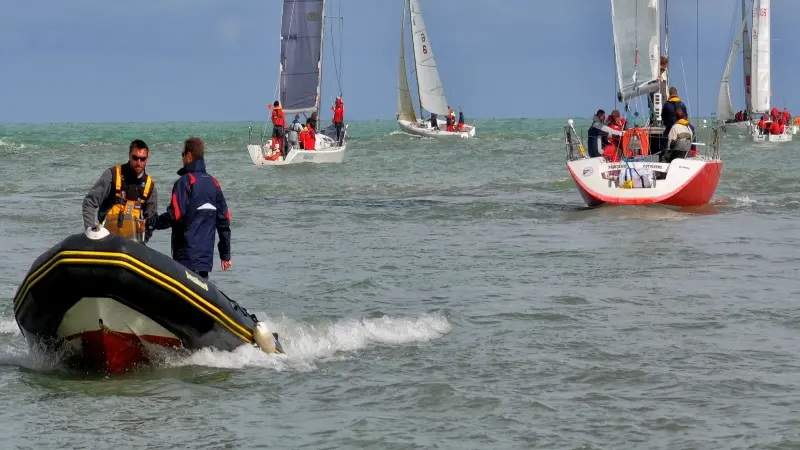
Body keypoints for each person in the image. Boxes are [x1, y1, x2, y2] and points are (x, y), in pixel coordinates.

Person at [146, 137, 231, 279]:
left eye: (182, 154)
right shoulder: (214, 183)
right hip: (205, 260)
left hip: (185, 257)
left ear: (189, 155)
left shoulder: (185, 182)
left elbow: (174, 215)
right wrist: (225, 254)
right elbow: (224, 221)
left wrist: (150, 223)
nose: (182, 158)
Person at [82, 139, 157, 243]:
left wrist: (144, 240)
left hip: (133, 244)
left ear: (147, 159)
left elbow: (151, 218)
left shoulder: (149, 185)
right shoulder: (112, 175)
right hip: (106, 240)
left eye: (142, 159)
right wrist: (92, 232)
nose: (138, 162)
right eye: (135, 158)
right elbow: (89, 203)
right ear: (129, 156)